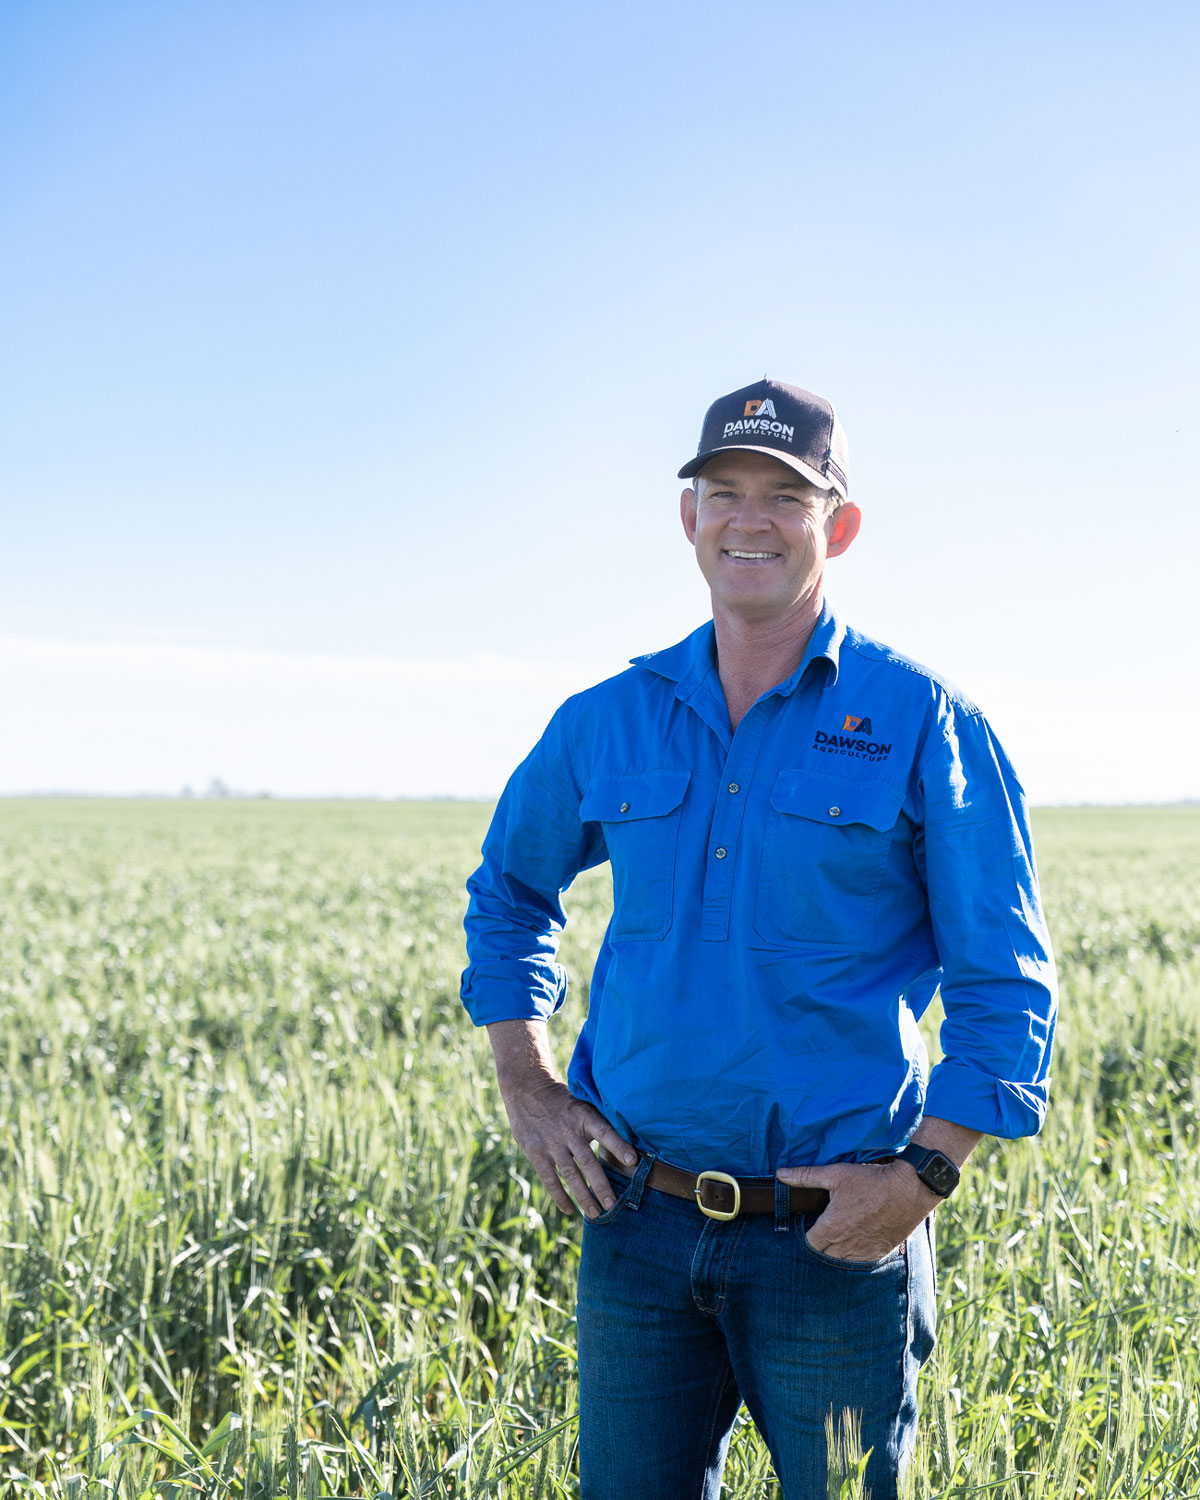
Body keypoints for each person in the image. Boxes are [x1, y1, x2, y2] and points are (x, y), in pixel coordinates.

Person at [460, 378, 1057, 1499]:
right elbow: (507, 892)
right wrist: (527, 1084)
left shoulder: (924, 720)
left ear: (839, 526)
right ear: (688, 517)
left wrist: (927, 1174)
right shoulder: (609, 717)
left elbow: (1005, 982)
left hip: (833, 1238)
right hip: (636, 1221)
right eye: (722, 491)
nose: (749, 519)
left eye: (785, 496)